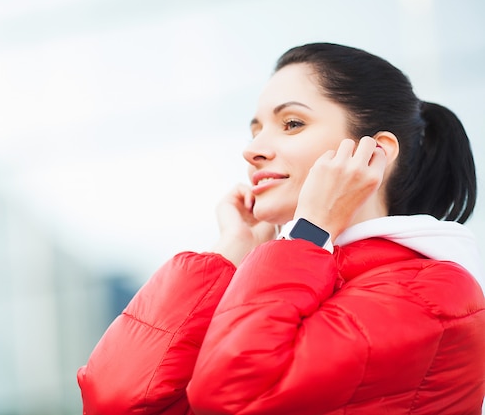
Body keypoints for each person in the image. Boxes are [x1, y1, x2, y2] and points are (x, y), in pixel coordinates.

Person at [77, 43, 485, 414]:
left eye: (291, 124)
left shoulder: (434, 293)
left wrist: (308, 232)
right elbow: (116, 402)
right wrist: (228, 252)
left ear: (374, 153)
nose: (252, 150)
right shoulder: (287, 282)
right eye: (256, 130)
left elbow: (235, 398)